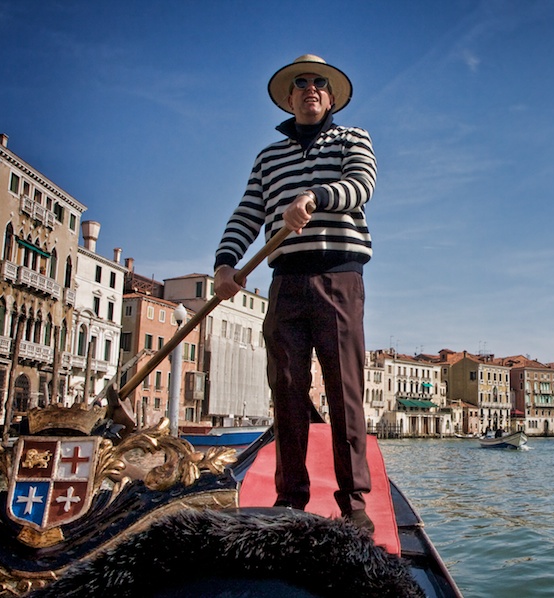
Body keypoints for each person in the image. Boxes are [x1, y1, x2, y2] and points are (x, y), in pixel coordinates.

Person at [213, 54, 377, 532]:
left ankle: (355, 506)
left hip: (338, 277)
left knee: (345, 390)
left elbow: (360, 185)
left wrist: (314, 197)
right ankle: (290, 501)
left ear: (330, 96)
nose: (310, 90)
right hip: (284, 282)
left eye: (319, 83)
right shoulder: (268, 157)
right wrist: (224, 265)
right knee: (286, 389)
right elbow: (246, 213)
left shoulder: (352, 139)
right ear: (289, 97)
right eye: (300, 84)